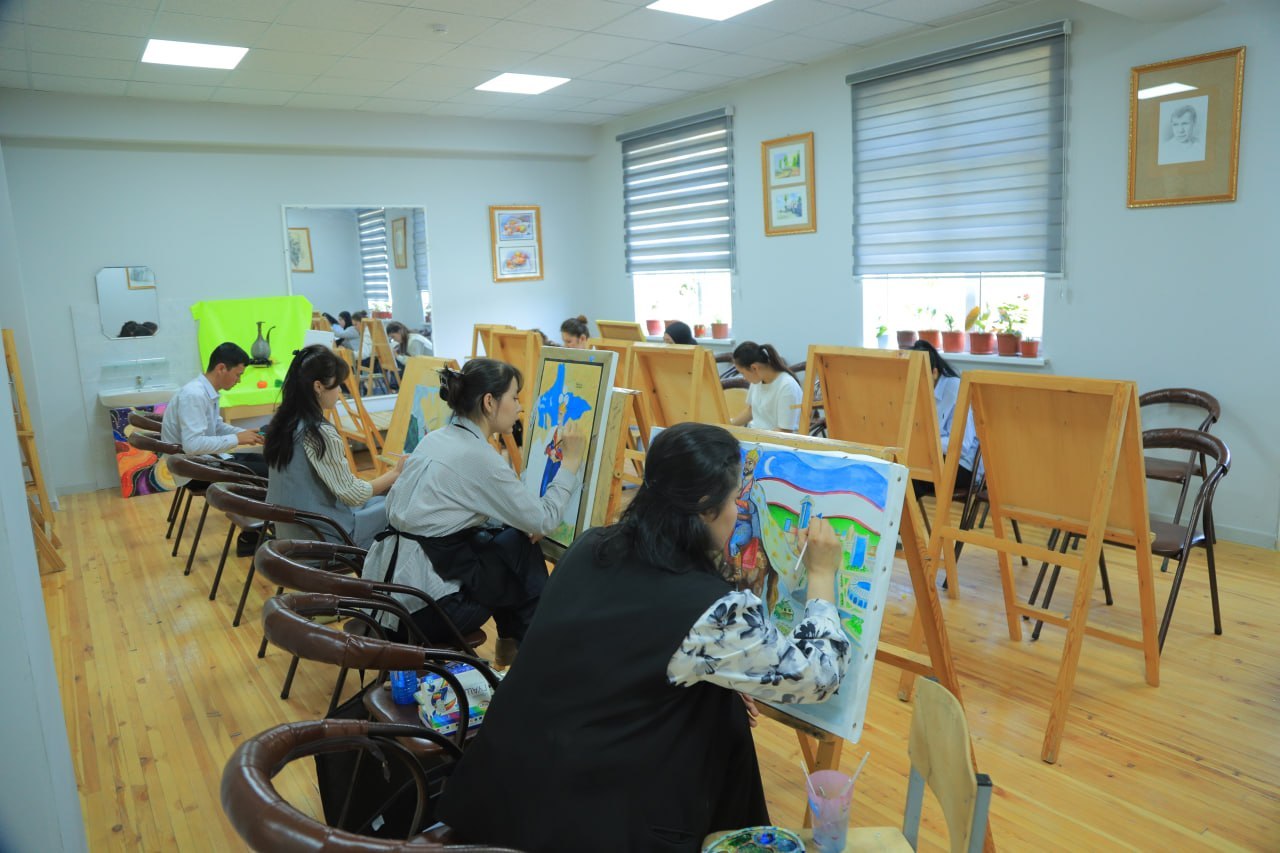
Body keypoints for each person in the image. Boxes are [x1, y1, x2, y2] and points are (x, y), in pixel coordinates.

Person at [439, 422, 851, 851]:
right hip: (581, 824)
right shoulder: (711, 610)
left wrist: (720, 678)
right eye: (734, 500)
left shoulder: (593, 545)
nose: (737, 513)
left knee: (718, 703)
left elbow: (621, 657)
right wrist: (822, 575)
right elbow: (819, 676)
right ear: (705, 508)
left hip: (502, 792)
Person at [362, 358, 585, 660]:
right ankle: (530, 653)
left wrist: (520, 521)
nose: (520, 407)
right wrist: (570, 463)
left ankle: (518, 647)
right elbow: (544, 520)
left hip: (383, 602)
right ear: (490, 402)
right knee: (520, 549)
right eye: (515, 397)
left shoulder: (435, 438)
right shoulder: (478, 456)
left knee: (509, 539)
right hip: (422, 613)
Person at [263, 346, 403, 548]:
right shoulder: (317, 432)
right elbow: (354, 495)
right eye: (338, 385)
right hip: (324, 538)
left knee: (384, 498)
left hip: (291, 532)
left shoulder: (284, 422)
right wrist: (396, 473)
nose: (340, 392)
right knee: (403, 504)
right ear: (318, 386)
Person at [161, 342, 266, 478]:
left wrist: (244, 433)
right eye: (238, 375)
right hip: (192, 468)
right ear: (221, 368)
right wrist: (236, 438)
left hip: (207, 459)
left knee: (270, 463)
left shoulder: (207, 391)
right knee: (272, 471)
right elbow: (192, 445)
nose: (239, 380)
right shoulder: (194, 394)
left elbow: (216, 426)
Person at [911, 340, 978, 497]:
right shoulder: (921, 390)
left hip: (962, 465)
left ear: (934, 373)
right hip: (933, 458)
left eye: (919, 376)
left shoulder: (955, 388)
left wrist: (925, 443)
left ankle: (901, 513)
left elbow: (962, 444)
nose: (915, 382)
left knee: (906, 478)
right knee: (898, 471)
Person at [727, 341, 803, 433]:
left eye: (743, 373)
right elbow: (751, 411)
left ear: (754, 368)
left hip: (775, 439)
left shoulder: (787, 386)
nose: (744, 378)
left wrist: (754, 437)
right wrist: (728, 426)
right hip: (757, 436)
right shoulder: (757, 380)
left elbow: (785, 430)